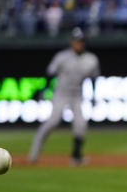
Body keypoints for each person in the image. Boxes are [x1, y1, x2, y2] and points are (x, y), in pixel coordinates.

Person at [28, 27, 100, 165]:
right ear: (71, 42)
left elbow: (93, 79)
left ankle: (76, 157)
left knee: (80, 125)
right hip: (61, 93)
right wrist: (44, 90)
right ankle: (34, 153)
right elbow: (50, 74)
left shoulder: (91, 59)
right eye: (76, 41)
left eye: (81, 41)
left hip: (77, 95)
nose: (78, 43)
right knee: (52, 122)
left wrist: (94, 96)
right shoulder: (62, 57)